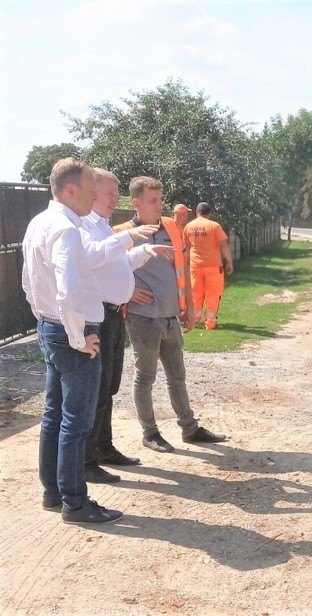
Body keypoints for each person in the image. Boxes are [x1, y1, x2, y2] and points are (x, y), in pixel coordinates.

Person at [21, 158, 122, 524]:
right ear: (71, 190)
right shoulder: (65, 228)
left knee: (53, 416)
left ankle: (54, 493)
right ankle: (76, 503)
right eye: (91, 189)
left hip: (50, 327)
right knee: (75, 423)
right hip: (71, 334)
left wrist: (44, 319)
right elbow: (68, 290)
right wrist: (78, 337)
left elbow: (29, 283)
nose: (96, 195)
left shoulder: (39, 223)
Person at [114, 177, 227, 453]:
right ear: (136, 202)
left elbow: (183, 268)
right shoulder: (121, 233)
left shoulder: (172, 228)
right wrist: (127, 294)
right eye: (153, 200)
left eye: (160, 199)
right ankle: (150, 433)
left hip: (169, 316)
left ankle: (189, 429)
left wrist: (188, 307)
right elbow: (107, 274)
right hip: (142, 319)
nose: (159, 204)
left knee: (177, 375)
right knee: (146, 376)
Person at [78, 168, 170, 483]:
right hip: (98, 316)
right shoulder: (86, 227)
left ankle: (104, 448)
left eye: (117, 193)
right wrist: (129, 237)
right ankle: (88, 459)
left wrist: (143, 252)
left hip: (114, 314)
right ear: (91, 193)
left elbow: (116, 266)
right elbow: (93, 261)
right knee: (98, 388)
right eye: (109, 193)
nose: (114, 198)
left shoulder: (103, 226)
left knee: (110, 385)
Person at [182, 201, 233, 330]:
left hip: (195, 266)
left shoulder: (188, 226)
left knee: (195, 293)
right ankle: (210, 323)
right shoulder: (214, 226)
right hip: (213, 266)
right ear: (209, 214)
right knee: (213, 294)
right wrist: (229, 262)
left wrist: (184, 264)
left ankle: (194, 320)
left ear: (196, 212)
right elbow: (224, 245)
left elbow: (186, 248)